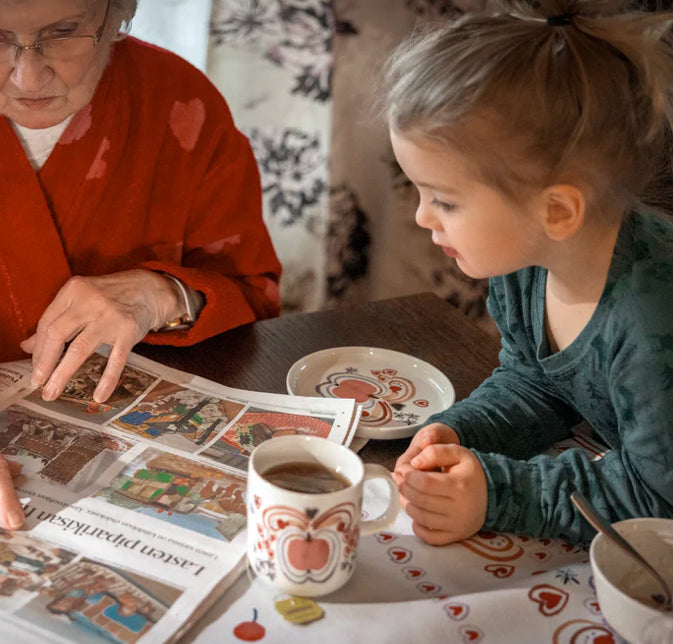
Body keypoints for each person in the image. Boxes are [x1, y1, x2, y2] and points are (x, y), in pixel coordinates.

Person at [387, 0, 673, 545]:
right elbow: (539, 383)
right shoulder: (530, 262)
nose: (422, 217)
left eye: (444, 200)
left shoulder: (651, 320)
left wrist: (498, 494)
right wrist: (461, 430)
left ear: (557, 211)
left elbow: (658, 498)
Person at [0, 0, 281, 529]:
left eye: (63, 33)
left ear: (115, 16)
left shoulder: (179, 103)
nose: (26, 74)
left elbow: (254, 293)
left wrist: (165, 293)